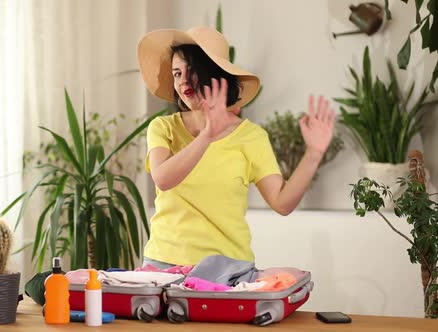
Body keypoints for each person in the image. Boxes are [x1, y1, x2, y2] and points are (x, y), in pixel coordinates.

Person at [136, 26, 336, 269]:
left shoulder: (251, 136)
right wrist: (207, 135)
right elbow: (163, 179)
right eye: (177, 73)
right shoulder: (163, 127)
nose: (183, 81)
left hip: (228, 269)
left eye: (192, 71)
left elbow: (282, 203)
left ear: (214, 73)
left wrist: (313, 154)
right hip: (163, 264)